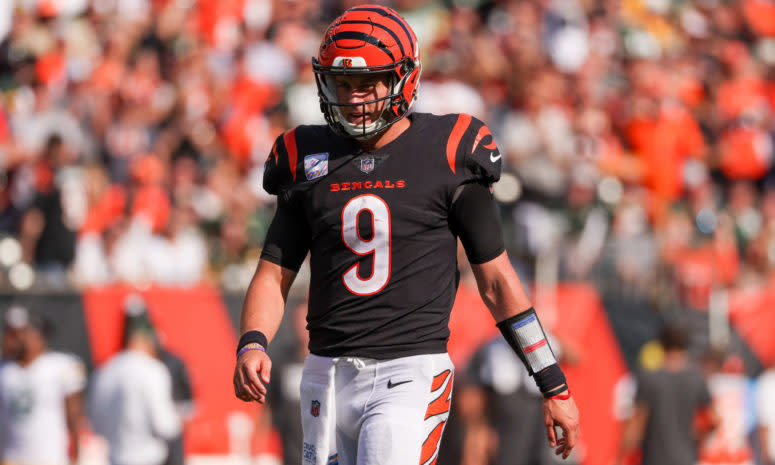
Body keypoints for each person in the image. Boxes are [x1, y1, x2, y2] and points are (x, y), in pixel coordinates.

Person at [232, 5, 580, 465]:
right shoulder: (306, 158)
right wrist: (253, 341)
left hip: (408, 372)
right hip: (326, 375)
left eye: (367, 83)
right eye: (343, 84)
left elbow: (497, 281)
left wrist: (552, 383)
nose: (353, 98)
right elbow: (273, 274)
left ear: (404, 80)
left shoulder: (448, 151)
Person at [89, 309, 180, 465]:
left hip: (115, 459)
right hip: (149, 458)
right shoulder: (153, 370)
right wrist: (180, 422)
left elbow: (96, 426)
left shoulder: (104, 371)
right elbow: (165, 426)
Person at [616, 324, 716, 465]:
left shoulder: (649, 378)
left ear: (661, 344)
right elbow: (713, 420)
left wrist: (619, 457)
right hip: (687, 458)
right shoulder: (697, 378)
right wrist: (698, 438)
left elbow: (636, 425)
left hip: (655, 459)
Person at [0, 306, 86, 465]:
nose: (17, 338)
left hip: (49, 458)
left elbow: (73, 416)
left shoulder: (60, 366)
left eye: (23, 333)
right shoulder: (4, 369)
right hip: (11, 458)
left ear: (39, 336)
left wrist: (76, 454)